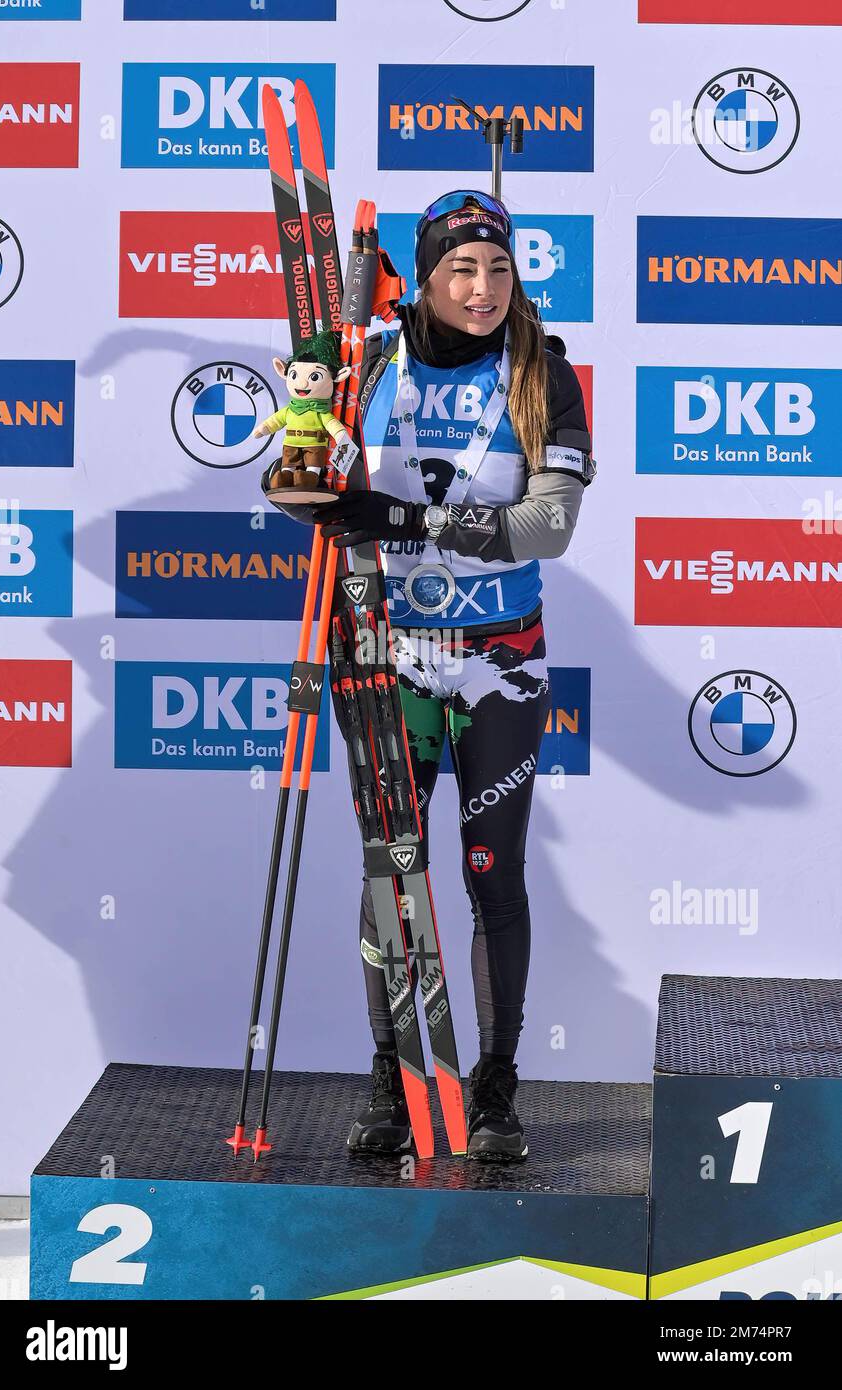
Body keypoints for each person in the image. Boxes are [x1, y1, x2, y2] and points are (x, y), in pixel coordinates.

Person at [313, 191, 595, 1162]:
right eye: (460, 270)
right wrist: (301, 451)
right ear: (426, 276)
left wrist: (403, 522)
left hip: (497, 662)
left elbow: (548, 526)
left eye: (498, 269)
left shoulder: (539, 373)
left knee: (489, 873)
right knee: (390, 874)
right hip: (385, 655)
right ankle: (393, 1082)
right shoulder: (370, 362)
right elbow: (305, 479)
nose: (481, 289)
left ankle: (494, 1088)